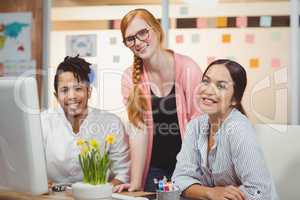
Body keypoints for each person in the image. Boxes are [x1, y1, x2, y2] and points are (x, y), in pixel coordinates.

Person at [118, 8, 203, 192]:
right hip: (155, 171)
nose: (138, 42)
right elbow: (138, 131)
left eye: (142, 32)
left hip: (190, 169)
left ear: (156, 29)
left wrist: (194, 176)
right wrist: (135, 183)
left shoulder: (189, 68)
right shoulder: (129, 78)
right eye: (130, 38)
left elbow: (200, 127)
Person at [172, 59, 279, 200]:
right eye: (205, 81)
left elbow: (259, 191)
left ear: (235, 99)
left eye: (221, 86)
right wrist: (211, 193)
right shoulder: (195, 126)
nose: (209, 90)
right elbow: (179, 179)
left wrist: (221, 194)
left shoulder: (239, 130)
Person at [41, 55, 130, 187]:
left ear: (89, 92)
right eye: (64, 90)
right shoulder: (43, 122)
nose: (72, 96)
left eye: (78, 89)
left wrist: (101, 192)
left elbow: (122, 173)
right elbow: (31, 167)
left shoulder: (111, 123)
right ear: (56, 95)